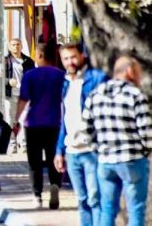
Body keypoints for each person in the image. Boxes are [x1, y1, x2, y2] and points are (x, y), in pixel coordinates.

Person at [83, 56, 152, 226]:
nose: (140, 76)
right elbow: (147, 133)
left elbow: (86, 131)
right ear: (129, 71)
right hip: (132, 159)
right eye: (138, 72)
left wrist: (98, 150)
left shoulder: (95, 95)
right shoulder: (135, 95)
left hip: (105, 161)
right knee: (135, 209)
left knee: (107, 209)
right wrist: (146, 152)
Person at [54, 43, 108, 226]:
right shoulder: (64, 83)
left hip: (92, 149)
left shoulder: (97, 78)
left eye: (73, 57)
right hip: (72, 150)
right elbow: (64, 120)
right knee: (82, 199)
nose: (70, 62)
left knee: (95, 197)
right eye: (66, 58)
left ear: (82, 56)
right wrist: (59, 150)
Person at [13, 42, 65, 209]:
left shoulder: (30, 75)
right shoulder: (61, 75)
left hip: (33, 123)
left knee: (34, 162)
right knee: (53, 159)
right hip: (54, 123)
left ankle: (37, 195)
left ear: (40, 56)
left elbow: (23, 100)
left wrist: (16, 121)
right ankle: (55, 185)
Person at [5, 38, 35, 152]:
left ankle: (23, 144)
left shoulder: (28, 61)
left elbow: (34, 77)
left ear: (21, 46)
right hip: (10, 94)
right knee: (11, 119)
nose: (16, 47)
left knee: (24, 119)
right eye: (13, 45)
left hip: (25, 94)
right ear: (9, 47)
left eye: (18, 44)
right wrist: (8, 81)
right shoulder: (5, 61)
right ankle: (12, 144)